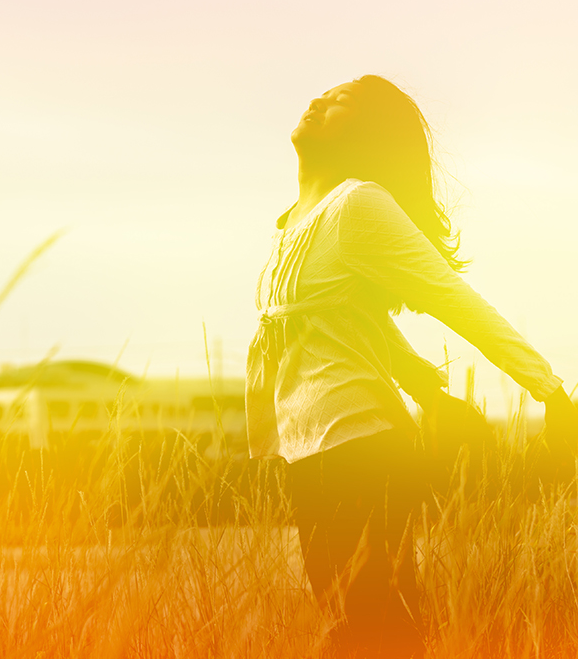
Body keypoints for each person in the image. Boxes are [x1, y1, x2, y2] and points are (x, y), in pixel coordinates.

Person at [244, 74, 578, 658]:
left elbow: (452, 298)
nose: (321, 99)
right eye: (324, 93)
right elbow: (342, 320)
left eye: (342, 103)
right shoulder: (292, 221)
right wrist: (414, 373)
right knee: (367, 621)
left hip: (359, 441)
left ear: (369, 137)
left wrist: (546, 386)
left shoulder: (358, 203)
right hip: (308, 449)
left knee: (366, 625)